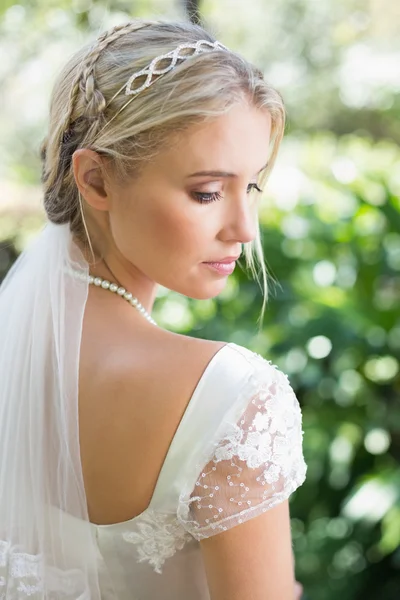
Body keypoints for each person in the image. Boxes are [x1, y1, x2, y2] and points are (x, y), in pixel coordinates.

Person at [0, 18, 307, 600]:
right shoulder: (233, 399)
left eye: (253, 188)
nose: (243, 229)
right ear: (96, 180)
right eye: (208, 193)